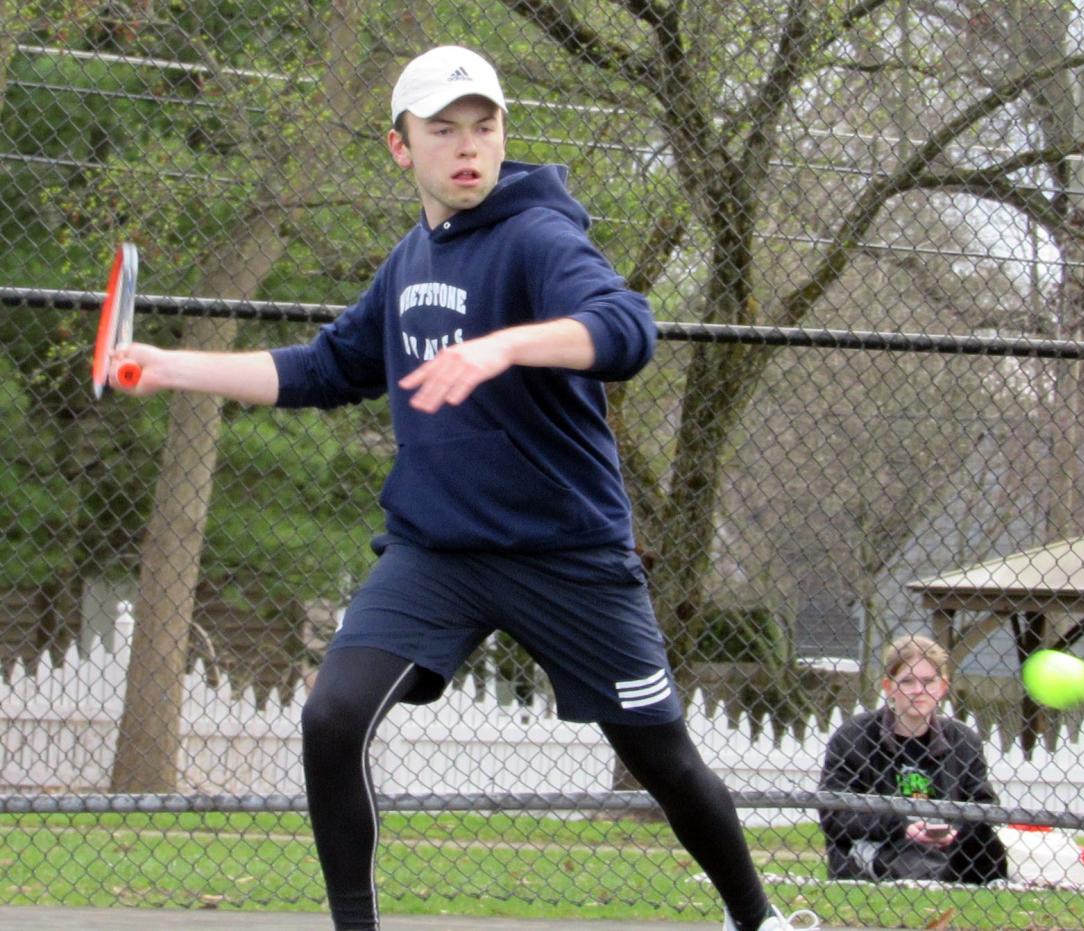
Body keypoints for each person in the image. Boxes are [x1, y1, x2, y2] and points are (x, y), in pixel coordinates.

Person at [109, 45, 819, 931]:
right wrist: (169, 365)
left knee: (664, 756)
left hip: (567, 555)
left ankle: (760, 920)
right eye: (443, 130)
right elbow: (327, 367)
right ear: (400, 148)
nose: (468, 146)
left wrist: (502, 345)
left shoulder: (539, 236)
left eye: (484, 127)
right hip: (437, 553)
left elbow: (626, 330)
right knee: (332, 717)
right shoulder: (410, 260)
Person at [817, 635, 1008, 885]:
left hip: (948, 847)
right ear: (889, 686)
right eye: (907, 681)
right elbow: (834, 815)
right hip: (883, 845)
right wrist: (902, 826)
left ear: (943, 687)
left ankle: (954, 877)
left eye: (928, 681)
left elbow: (984, 803)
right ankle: (941, 879)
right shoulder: (854, 736)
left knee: (988, 845)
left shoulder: (963, 740)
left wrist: (953, 831)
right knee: (912, 855)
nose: (918, 690)